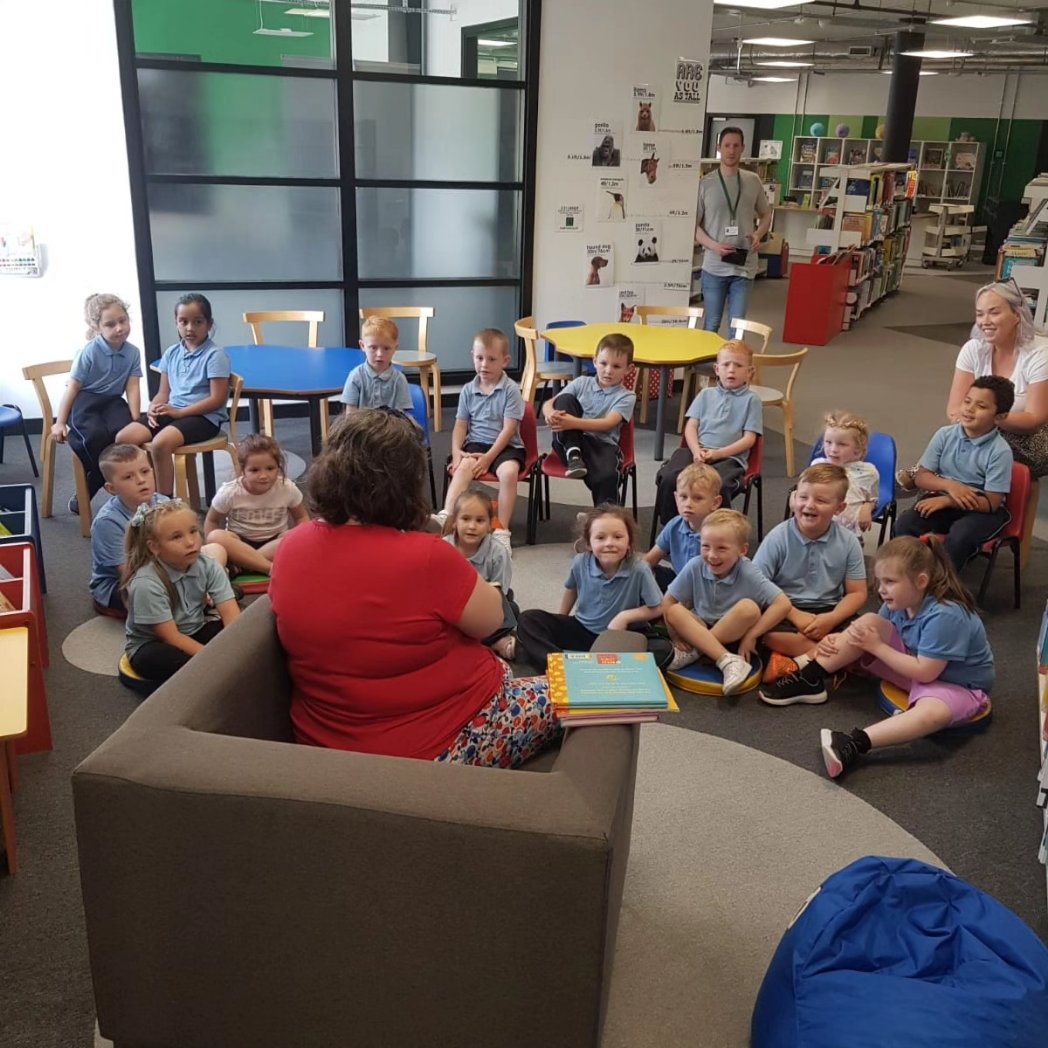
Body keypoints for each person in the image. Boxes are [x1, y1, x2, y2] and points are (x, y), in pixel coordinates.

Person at [268, 408, 559, 769]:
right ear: (406, 482)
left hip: (329, 737)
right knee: (576, 689)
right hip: (436, 741)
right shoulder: (427, 558)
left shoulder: (292, 547)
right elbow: (492, 620)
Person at [808, 537, 993, 779]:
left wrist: (875, 647)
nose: (881, 589)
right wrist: (838, 638)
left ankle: (853, 743)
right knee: (867, 623)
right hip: (915, 665)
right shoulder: (899, 602)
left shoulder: (947, 614)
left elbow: (926, 672)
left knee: (932, 714)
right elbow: (878, 633)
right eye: (879, 581)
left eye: (890, 582)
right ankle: (807, 676)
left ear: (921, 581)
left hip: (956, 685)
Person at [754, 464, 869, 704]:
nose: (809, 505)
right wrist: (794, 614)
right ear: (793, 498)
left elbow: (857, 593)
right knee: (758, 627)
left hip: (830, 612)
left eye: (821, 500)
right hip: (785, 609)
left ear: (840, 508)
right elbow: (756, 583)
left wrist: (831, 619)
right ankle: (832, 659)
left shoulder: (848, 542)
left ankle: (798, 662)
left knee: (868, 629)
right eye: (803, 496)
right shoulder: (778, 537)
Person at [517, 505, 666, 670]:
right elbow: (571, 589)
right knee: (528, 619)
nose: (609, 543)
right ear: (588, 543)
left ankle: (562, 661)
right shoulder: (580, 562)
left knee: (663, 649)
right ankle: (561, 666)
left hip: (621, 636)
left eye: (618, 537)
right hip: (584, 630)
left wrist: (624, 617)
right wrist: (561, 620)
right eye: (600, 538)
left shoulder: (639, 568)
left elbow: (659, 607)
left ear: (629, 542)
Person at [661, 508, 791, 693]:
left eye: (722, 548)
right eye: (706, 546)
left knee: (749, 608)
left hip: (732, 634)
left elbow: (783, 604)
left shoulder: (749, 571)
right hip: (701, 625)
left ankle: (701, 652)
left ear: (742, 550)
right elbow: (668, 602)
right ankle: (723, 658)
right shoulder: (695, 565)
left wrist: (751, 636)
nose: (712, 555)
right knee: (675, 610)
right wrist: (676, 637)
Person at [89, 444, 227, 617]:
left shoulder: (162, 502)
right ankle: (201, 597)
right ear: (111, 488)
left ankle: (197, 596)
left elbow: (185, 541)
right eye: (128, 477)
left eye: (145, 471)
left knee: (215, 550)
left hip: (170, 565)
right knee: (149, 592)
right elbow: (129, 574)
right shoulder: (107, 522)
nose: (141, 480)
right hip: (125, 584)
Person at [895, 376, 1014, 572]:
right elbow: (922, 476)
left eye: (981, 406)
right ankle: (904, 579)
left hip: (983, 510)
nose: (969, 409)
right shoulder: (945, 434)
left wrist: (950, 501)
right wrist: (950, 487)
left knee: (961, 535)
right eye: (967, 401)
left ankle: (944, 589)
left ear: (999, 417)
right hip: (945, 498)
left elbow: (992, 501)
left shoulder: (1000, 451)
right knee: (906, 524)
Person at [121, 293, 231, 498]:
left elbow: (217, 400)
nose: (190, 328)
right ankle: (141, 493)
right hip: (174, 412)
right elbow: (163, 392)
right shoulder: (171, 353)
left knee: (161, 443)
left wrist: (180, 413)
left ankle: (163, 502)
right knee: (124, 438)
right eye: (184, 321)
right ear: (176, 323)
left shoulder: (215, 355)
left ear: (209, 324)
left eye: (197, 322)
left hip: (204, 418)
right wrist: (154, 407)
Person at [123, 500, 240, 682]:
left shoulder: (207, 565)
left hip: (195, 629)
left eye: (193, 531)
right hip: (156, 643)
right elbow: (171, 637)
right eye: (177, 537)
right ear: (154, 547)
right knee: (161, 660)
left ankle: (213, 671)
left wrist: (237, 648)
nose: (191, 542)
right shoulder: (146, 584)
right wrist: (213, 658)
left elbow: (232, 617)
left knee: (248, 626)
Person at [944, 280, 1048, 477]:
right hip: (981, 426)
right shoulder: (973, 348)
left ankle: (925, 476)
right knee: (951, 440)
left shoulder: (1040, 353)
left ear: (1017, 315)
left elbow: (1035, 419)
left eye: (994, 312)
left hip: (1031, 436)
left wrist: (985, 417)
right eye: (980, 314)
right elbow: (954, 409)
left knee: (979, 453)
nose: (985, 321)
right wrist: (978, 420)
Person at [653, 339, 762, 527]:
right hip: (697, 452)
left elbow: (749, 439)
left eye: (738, 365)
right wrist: (696, 451)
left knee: (719, 487)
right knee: (670, 478)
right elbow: (691, 427)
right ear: (716, 369)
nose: (731, 370)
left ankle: (717, 533)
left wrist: (718, 453)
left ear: (749, 372)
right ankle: (672, 529)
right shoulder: (705, 394)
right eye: (726, 364)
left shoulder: (752, 400)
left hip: (729, 458)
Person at [52, 293, 143, 514]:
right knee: (94, 436)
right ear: (97, 326)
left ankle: (91, 484)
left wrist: (136, 419)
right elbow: (72, 387)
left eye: (123, 321)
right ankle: (108, 482)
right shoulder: (90, 351)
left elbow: (132, 387)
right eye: (110, 324)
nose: (119, 328)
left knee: (124, 435)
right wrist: (59, 422)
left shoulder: (132, 352)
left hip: (112, 401)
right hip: (85, 399)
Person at [439, 328, 525, 545]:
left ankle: (502, 530)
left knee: (508, 472)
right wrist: (457, 452)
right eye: (479, 358)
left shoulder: (511, 390)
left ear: (505, 361)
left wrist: (488, 458)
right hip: (476, 443)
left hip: (506, 446)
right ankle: (446, 518)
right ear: (472, 357)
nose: (484, 365)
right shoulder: (468, 389)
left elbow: (508, 430)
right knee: (462, 468)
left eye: (491, 359)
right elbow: (460, 425)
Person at [694, 125, 772, 334]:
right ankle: (708, 365)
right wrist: (713, 246)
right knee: (711, 323)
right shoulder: (705, 184)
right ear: (719, 148)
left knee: (737, 326)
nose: (731, 150)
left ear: (743, 148)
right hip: (714, 266)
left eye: (736, 146)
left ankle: (734, 367)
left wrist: (758, 234)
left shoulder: (752, 180)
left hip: (744, 266)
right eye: (727, 145)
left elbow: (766, 214)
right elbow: (694, 226)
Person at [542, 333, 636, 505]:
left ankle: (602, 519)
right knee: (565, 400)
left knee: (606, 475)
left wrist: (571, 422)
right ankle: (574, 455)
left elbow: (608, 423)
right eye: (603, 363)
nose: (608, 370)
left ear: (628, 369)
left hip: (602, 445)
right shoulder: (581, 382)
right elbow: (550, 403)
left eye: (616, 366)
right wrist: (549, 413)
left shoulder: (627, 396)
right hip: (571, 441)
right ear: (594, 362)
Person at [204, 434, 308, 577]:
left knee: (298, 535)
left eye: (270, 468)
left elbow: (302, 517)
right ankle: (269, 568)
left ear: (279, 467)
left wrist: (302, 538)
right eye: (254, 470)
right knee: (216, 536)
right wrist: (213, 548)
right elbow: (211, 520)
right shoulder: (230, 491)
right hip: (239, 543)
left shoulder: (287, 488)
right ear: (242, 470)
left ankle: (243, 564)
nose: (263, 475)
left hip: (275, 542)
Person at [443, 485, 518, 661]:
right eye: (466, 519)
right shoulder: (444, 548)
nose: (472, 526)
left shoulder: (498, 552)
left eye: (479, 520)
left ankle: (466, 643)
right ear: (455, 521)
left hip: (485, 606)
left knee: (512, 609)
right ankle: (494, 642)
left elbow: (501, 594)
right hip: (452, 605)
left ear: (490, 524)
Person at [643, 462, 722, 590]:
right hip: (680, 581)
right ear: (676, 498)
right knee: (644, 571)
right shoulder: (675, 524)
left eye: (697, 498)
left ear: (715, 502)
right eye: (683, 497)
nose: (688, 504)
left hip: (709, 588)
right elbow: (650, 560)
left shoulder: (719, 532)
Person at [811, 410, 879, 534]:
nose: (833, 449)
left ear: (857, 448)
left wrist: (867, 507)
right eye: (828, 442)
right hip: (817, 530)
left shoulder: (867, 472)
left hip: (849, 534)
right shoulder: (817, 466)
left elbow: (874, 498)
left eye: (841, 444)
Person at [340, 316, 413, 412]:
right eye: (373, 348)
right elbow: (350, 416)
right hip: (361, 426)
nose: (380, 354)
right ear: (362, 346)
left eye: (386, 348)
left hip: (392, 426)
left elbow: (401, 416)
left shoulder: (399, 380)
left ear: (395, 348)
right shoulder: (355, 377)